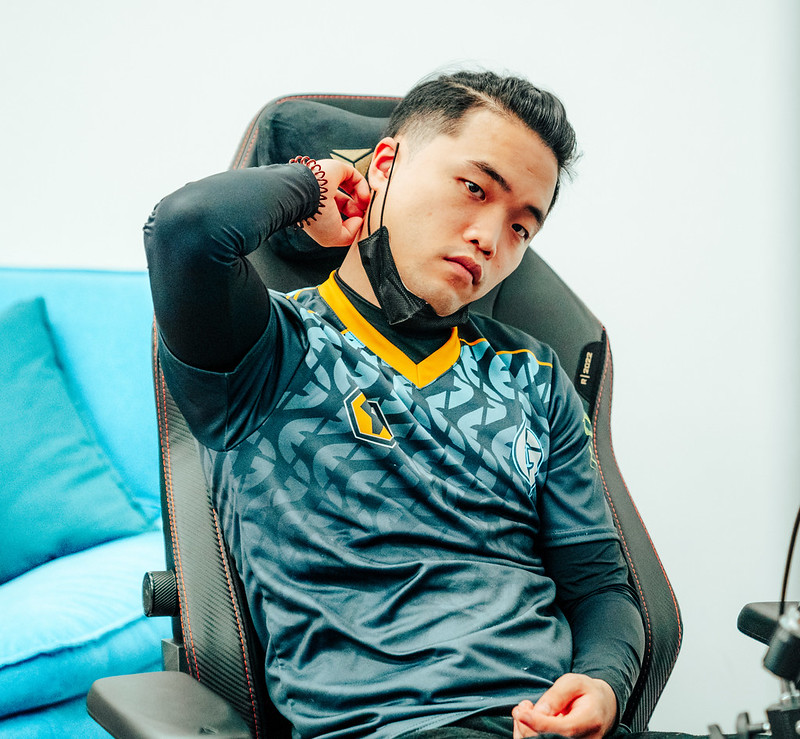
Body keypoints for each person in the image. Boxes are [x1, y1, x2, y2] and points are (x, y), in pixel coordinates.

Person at [144, 70, 645, 739]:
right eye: (475, 188)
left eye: (522, 227)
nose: (491, 239)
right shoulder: (268, 350)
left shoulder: (534, 374)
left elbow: (601, 589)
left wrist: (604, 684)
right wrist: (316, 184)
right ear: (384, 166)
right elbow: (185, 229)